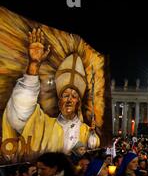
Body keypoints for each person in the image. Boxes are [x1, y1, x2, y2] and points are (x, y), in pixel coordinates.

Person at [2, 28, 99, 156]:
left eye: (74, 96)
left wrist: (92, 135)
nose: (69, 99)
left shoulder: (86, 131)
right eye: (65, 96)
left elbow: (94, 149)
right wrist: (33, 66)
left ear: (78, 103)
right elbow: (20, 113)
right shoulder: (44, 125)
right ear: (59, 102)